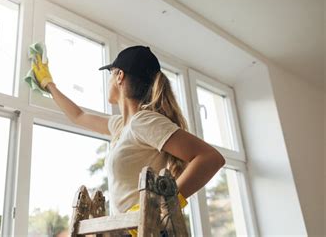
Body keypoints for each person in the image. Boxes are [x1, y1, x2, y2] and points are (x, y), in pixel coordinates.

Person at [31, 44, 225, 233]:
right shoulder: (121, 126)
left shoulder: (143, 121)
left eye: (110, 74)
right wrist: (48, 84)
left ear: (119, 76)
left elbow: (210, 158)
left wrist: (164, 205)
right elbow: (78, 116)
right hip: (130, 228)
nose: (108, 81)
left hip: (148, 229)